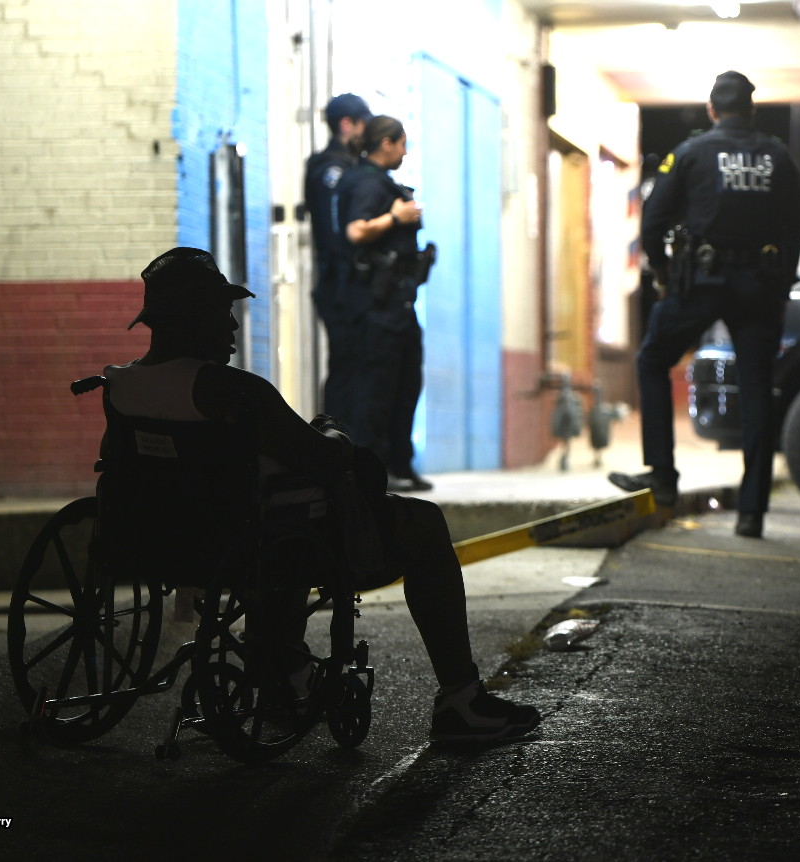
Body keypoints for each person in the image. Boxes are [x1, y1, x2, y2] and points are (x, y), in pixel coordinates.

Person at [104, 246, 539, 742]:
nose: (233, 327)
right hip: (255, 542)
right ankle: (462, 699)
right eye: (222, 313)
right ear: (192, 316)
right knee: (422, 522)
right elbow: (322, 458)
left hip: (165, 543)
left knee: (275, 519)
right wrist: (335, 435)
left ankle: (286, 676)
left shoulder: (120, 387)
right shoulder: (231, 389)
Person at [608, 71, 800, 539]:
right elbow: (793, 228)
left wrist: (661, 274)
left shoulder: (690, 154)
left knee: (653, 359)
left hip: (699, 282)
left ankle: (663, 479)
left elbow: (652, 222)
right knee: (756, 389)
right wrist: (780, 287)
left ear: (712, 110)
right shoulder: (778, 157)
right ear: (752, 110)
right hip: (759, 286)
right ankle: (752, 512)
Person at [332, 115, 435, 493]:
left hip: (399, 305)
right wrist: (395, 217)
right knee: (377, 390)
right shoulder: (364, 183)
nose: (405, 152)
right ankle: (376, 469)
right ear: (386, 143)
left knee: (407, 384)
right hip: (375, 308)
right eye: (402, 143)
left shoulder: (381, 182)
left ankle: (401, 465)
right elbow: (356, 230)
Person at [304, 93, 372, 425]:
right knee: (347, 366)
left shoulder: (348, 167)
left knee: (355, 366)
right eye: (364, 125)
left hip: (343, 284)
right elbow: (335, 232)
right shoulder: (331, 169)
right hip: (339, 286)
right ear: (348, 124)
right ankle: (336, 444)